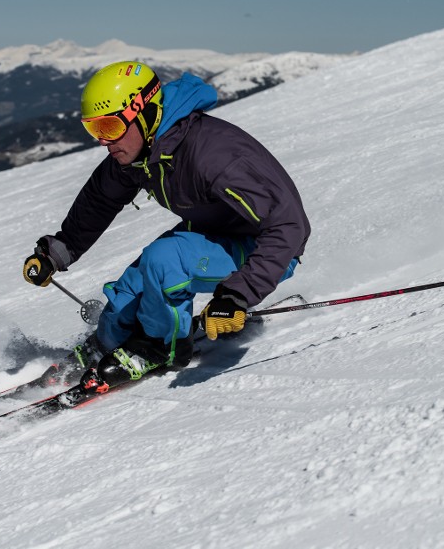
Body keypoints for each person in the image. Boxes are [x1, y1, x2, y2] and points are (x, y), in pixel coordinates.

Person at [23, 61, 310, 391]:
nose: (104, 141)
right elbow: (99, 200)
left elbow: (289, 225)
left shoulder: (214, 155)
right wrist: (57, 253)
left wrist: (236, 296)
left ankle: (160, 347)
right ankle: (105, 344)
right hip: (212, 236)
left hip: (266, 248)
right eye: (94, 130)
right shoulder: (141, 151)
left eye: (109, 127)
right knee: (128, 295)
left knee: (164, 259)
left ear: (143, 114)